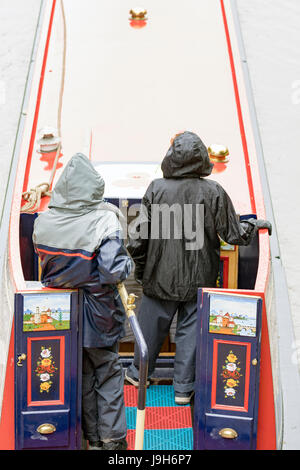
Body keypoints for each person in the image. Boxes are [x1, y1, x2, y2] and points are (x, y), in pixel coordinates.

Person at [125, 131, 271, 405]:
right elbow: (234, 234)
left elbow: (138, 238)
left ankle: (138, 375)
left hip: (159, 277)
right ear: (202, 158)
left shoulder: (156, 188)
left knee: (149, 330)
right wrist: (256, 225)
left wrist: (143, 271)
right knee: (190, 334)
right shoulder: (213, 191)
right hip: (199, 279)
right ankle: (183, 389)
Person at [33, 153, 133, 450]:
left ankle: (90, 437)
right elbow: (113, 269)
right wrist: (129, 264)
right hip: (99, 313)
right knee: (109, 373)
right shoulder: (104, 219)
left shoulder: (43, 221)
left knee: (82, 373)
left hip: (60, 313)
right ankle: (113, 440)